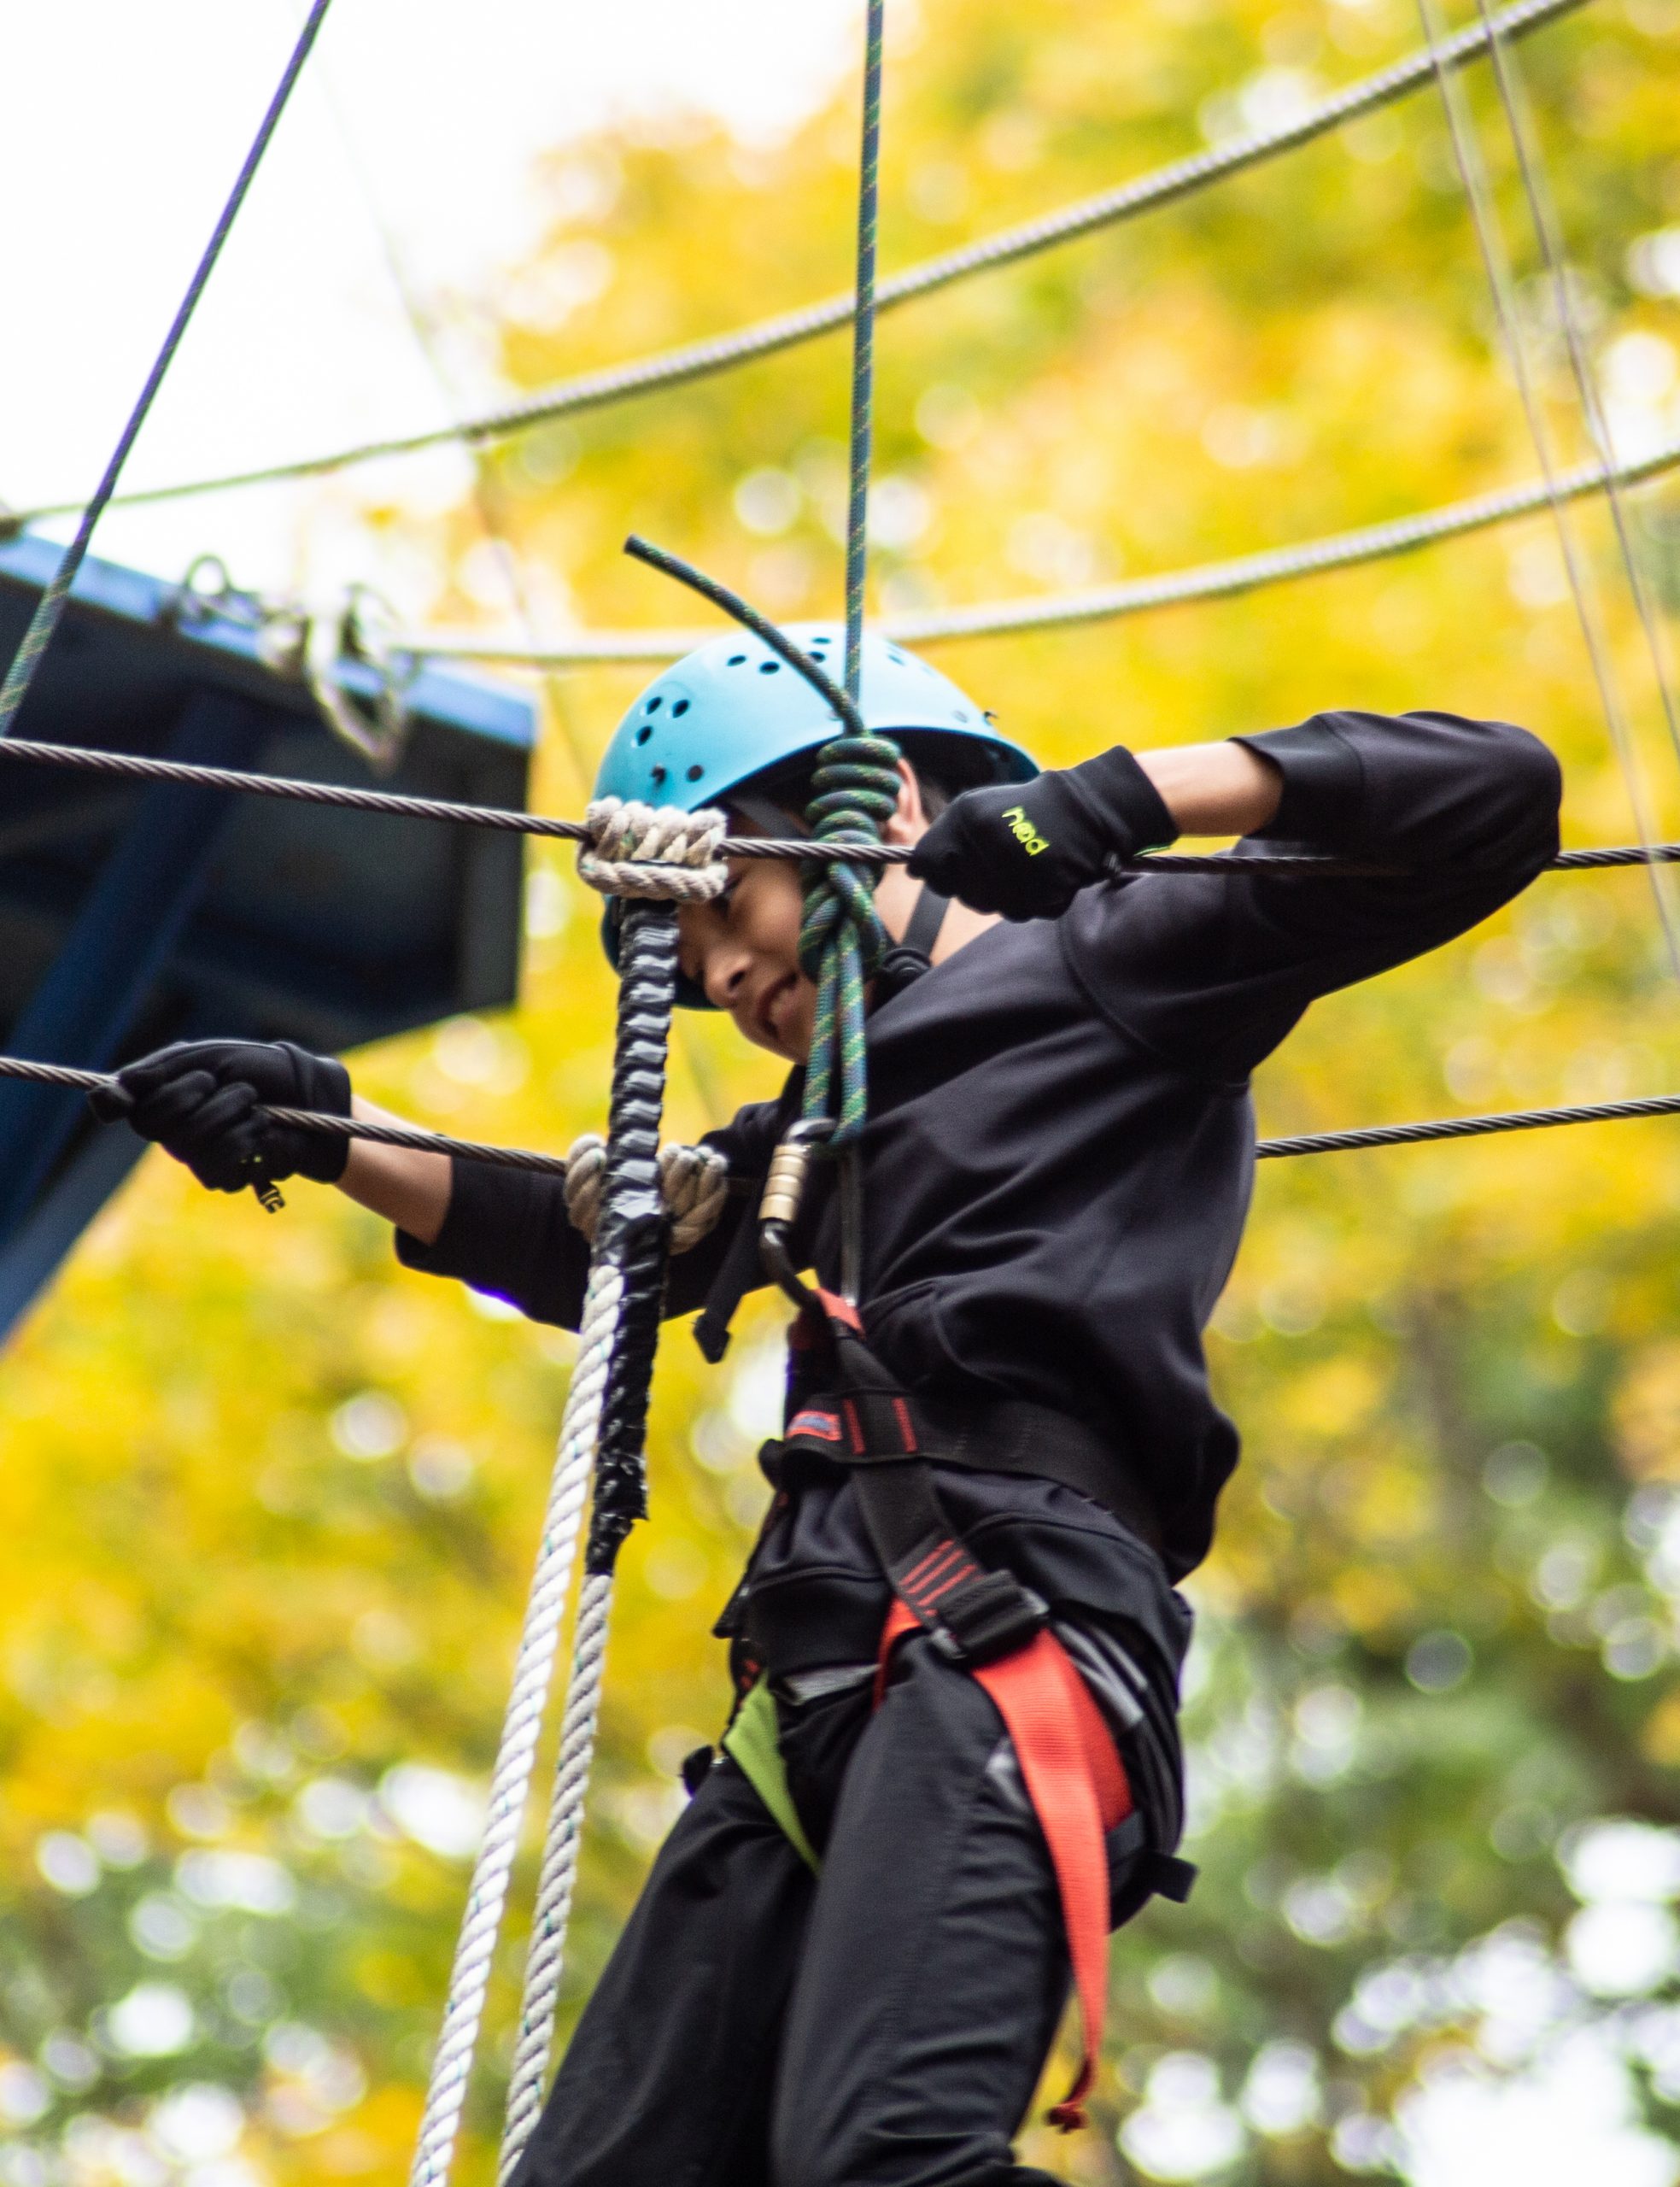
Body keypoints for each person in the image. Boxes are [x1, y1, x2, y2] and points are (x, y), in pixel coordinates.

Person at [100, 624, 1561, 2187]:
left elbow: (1493, 791)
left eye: (730, 901)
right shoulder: (814, 1134)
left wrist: (1124, 801)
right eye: (702, 957)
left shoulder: (1117, 960)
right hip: (815, 1685)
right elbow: (606, 1249)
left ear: (891, 811)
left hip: (1014, 1616)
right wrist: (327, 1127)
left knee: (888, 2160)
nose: (724, 973)